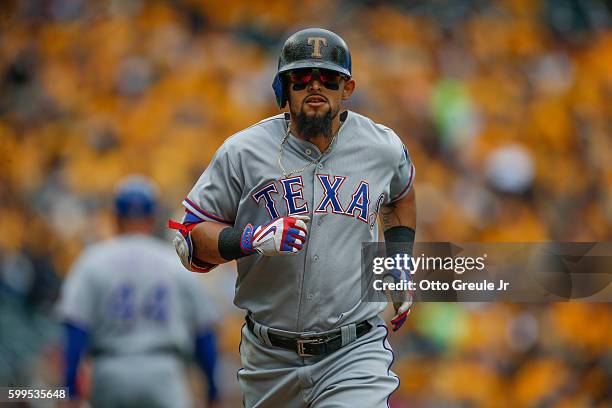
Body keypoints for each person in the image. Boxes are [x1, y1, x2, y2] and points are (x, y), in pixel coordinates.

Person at [170, 28, 416, 407]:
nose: (315, 86)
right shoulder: (242, 152)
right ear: (282, 87)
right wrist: (249, 239)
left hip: (353, 350)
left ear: (347, 88)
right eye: (301, 78)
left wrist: (397, 264)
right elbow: (190, 241)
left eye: (328, 78)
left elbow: (400, 197)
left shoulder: (382, 146)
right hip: (270, 357)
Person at [57, 175, 220, 407]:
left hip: (110, 371)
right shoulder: (174, 263)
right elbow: (204, 332)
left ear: (115, 217)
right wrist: (213, 389)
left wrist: (70, 390)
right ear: (153, 217)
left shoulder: (92, 260)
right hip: (164, 372)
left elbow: (75, 327)